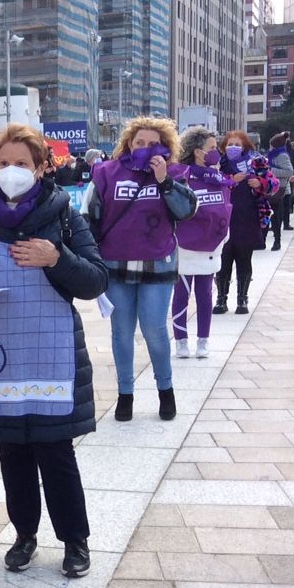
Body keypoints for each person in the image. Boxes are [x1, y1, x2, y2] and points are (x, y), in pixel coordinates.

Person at [0, 124, 107, 579]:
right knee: (12, 451)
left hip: (51, 351)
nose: (11, 172)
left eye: (21, 164)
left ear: (40, 168)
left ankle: (76, 541)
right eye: (3, 163)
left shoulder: (65, 218)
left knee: (56, 451)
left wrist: (57, 259)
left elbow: (95, 280)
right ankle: (25, 535)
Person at [85, 116, 197, 423]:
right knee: (121, 333)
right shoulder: (106, 173)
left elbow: (187, 210)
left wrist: (165, 181)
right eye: (140, 143)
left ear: (165, 147)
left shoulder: (174, 174)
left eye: (153, 144)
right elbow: (89, 216)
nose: (146, 149)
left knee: (154, 330)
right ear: (128, 144)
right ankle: (125, 395)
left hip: (157, 265)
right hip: (115, 265)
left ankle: (166, 390)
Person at [172, 127, 231, 359]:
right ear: (198, 152)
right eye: (212, 148)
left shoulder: (218, 178)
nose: (217, 153)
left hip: (211, 244)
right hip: (185, 245)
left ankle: (203, 340)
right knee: (181, 295)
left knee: (205, 294)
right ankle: (181, 341)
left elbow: (225, 206)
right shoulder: (181, 175)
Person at [215, 131, 278, 316]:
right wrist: (230, 181)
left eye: (237, 144)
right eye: (229, 144)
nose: (232, 147)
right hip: (223, 219)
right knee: (223, 259)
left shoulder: (256, 161)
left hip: (247, 216)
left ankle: (242, 299)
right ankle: (221, 298)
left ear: (245, 146)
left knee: (244, 258)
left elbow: (273, 183)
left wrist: (259, 183)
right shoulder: (219, 164)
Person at [266, 132, 294, 243]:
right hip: (270, 187)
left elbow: (289, 171)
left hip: (279, 188)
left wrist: (271, 171)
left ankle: (277, 239)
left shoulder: (282, 155)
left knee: (276, 214)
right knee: (270, 212)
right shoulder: (272, 154)